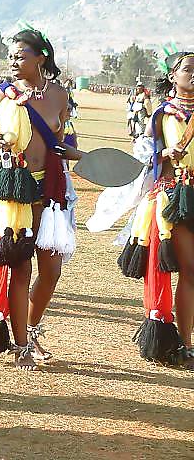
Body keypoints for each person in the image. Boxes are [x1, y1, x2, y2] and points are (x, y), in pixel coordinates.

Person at [0, 27, 79, 370]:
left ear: (41, 57)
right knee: (22, 269)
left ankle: (31, 325)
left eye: (20, 55)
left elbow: (57, 141)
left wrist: (75, 154)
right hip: (15, 194)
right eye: (10, 56)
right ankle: (23, 345)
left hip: (50, 192)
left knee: (51, 270)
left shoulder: (59, 96)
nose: (13, 61)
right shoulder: (4, 96)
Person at [88, 51, 194, 368]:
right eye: (189, 68)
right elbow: (145, 158)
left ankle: (184, 342)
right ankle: (183, 345)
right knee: (187, 270)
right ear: (172, 75)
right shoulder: (162, 115)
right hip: (173, 198)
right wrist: (165, 153)